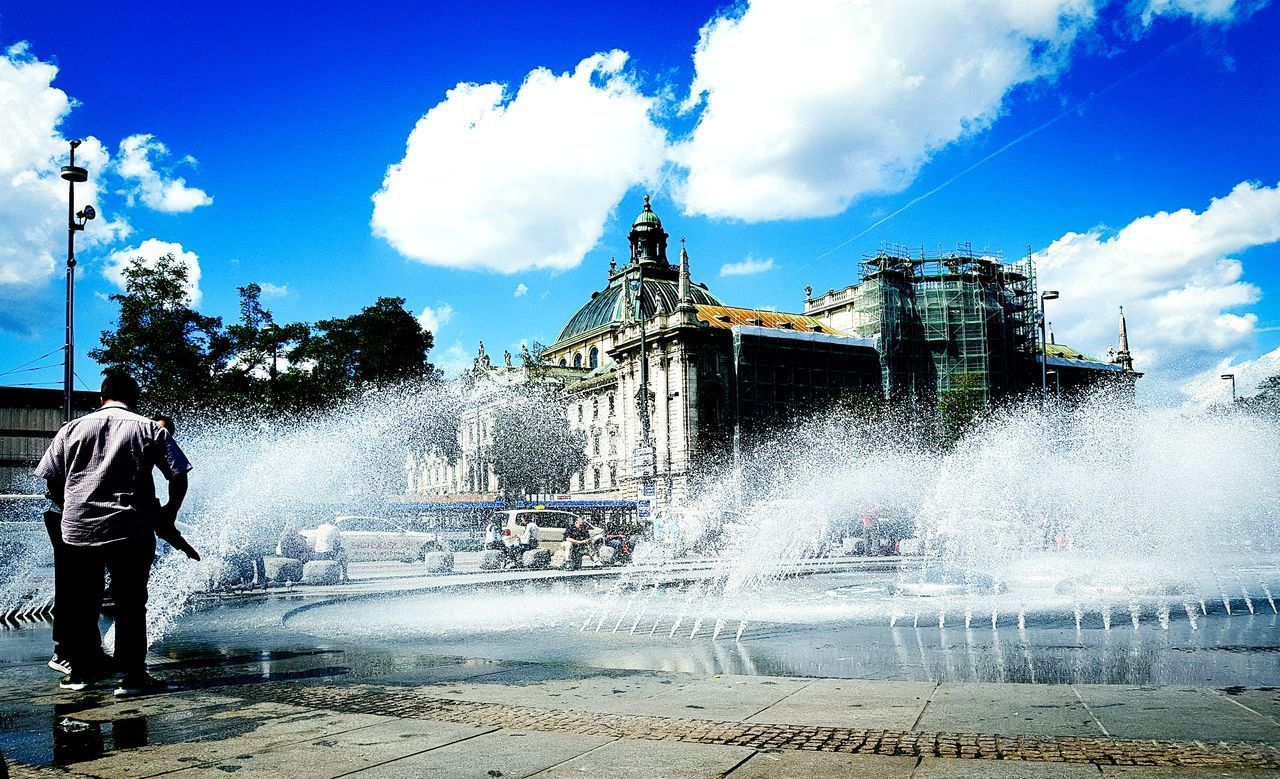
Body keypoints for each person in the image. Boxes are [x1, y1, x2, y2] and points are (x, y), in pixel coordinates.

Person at [35, 371, 192, 697]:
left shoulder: (72, 429)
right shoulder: (149, 428)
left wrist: (73, 505)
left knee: (82, 602)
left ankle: (80, 674)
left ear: (100, 397)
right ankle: (132, 678)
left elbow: (51, 479)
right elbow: (178, 475)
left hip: (79, 530)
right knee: (131, 603)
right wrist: (169, 512)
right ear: (135, 398)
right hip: (130, 530)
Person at [150, 416, 200, 562]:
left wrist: (184, 547)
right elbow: (179, 475)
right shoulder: (143, 431)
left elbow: (161, 524)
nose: (161, 434)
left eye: (166, 434)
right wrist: (172, 509)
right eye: (160, 430)